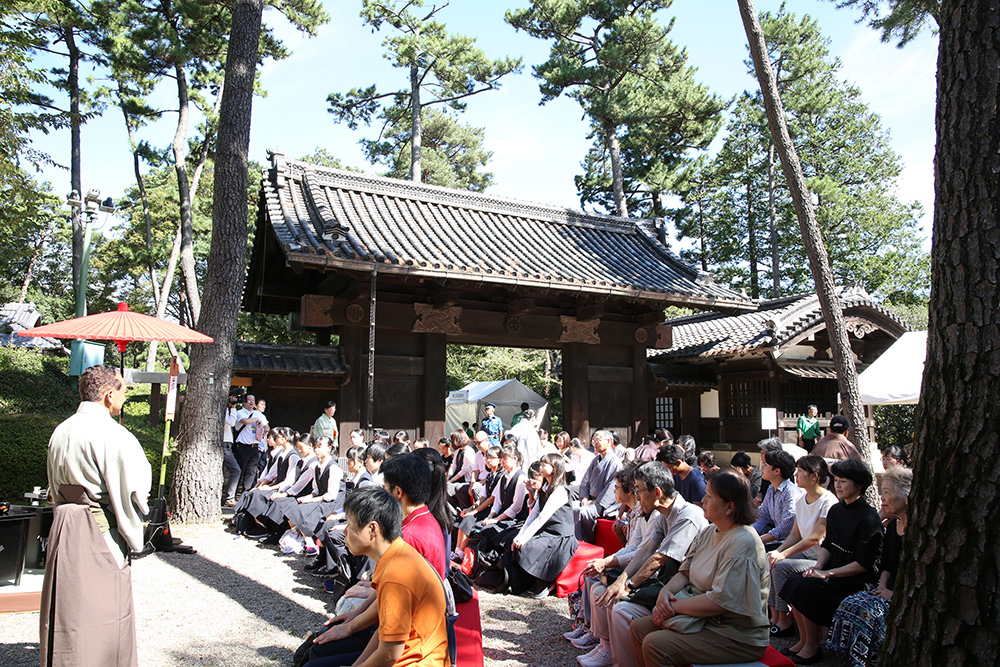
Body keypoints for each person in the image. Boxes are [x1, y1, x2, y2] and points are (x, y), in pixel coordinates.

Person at [40, 364, 152, 667]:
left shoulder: (61, 430)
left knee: (67, 605)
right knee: (103, 609)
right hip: (98, 530)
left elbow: (54, 484)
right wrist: (133, 537)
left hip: (63, 526)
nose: (124, 398)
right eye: (122, 391)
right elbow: (133, 492)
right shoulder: (113, 435)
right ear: (107, 394)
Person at [629, 471, 770, 667]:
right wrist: (665, 593)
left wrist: (671, 607)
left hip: (735, 633)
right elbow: (685, 572)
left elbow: (720, 601)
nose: (703, 500)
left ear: (730, 507)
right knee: (638, 628)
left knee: (655, 644)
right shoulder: (709, 531)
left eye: (710, 496)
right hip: (700, 617)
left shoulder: (743, 541)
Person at [578, 462, 708, 667]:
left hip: (687, 589)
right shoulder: (665, 514)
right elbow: (646, 550)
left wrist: (628, 586)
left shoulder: (687, 515)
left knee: (620, 608)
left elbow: (659, 558)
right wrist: (621, 581)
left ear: (656, 492)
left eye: (638, 491)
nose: (636, 497)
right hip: (670, 582)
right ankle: (608, 650)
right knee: (611, 596)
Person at [305, 487, 448, 667]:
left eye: (350, 524)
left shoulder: (396, 575)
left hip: (418, 660)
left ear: (372, 529)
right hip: (412, 652)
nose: (344, 532)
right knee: (318, 654)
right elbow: (382, 632)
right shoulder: (394, 553)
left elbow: (390, 654)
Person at [781, 459, 884, 664]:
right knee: (797, 580)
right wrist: (818, 568)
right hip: (832, 570)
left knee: (806, 587)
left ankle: (813, 646)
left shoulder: (869, 517)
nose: (837, 485)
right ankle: (804, 640)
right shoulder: (837, 510)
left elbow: (863, 564)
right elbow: (828, 545)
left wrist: (827, 573)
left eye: (843, 481)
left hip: (854, 578)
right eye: (836, 480)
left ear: (859, 485)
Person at [826, 466, 912, 666]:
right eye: (882, 491)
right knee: (849, 604)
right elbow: (886, 566)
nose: (881, 497)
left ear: (906, 498)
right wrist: (882, 587)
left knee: (867, 613)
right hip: (884, 589)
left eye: (887, 493)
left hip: (904, 593)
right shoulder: (892, 526)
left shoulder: (919, 531)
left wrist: (895, 593)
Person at [765, 455, 838, 639]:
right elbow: (796, 534)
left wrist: (784, 555)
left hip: (820, 559)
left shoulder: (827, 501)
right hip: (804, 554)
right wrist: (779, 552)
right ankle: (775, 617)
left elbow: (815, 537)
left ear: (814, 476)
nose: (796, 474)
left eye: (801, 471)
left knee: (781, 567)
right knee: (771, 560)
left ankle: (784, 620)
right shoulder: (801, 499)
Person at [513, 452, 579, 598]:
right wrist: (520, 535)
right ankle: (533, 581)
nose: (541, 467)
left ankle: (547, 581)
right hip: (548, 531)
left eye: (544, 465)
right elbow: (534, 513)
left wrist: (524, 539)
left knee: (530, 546)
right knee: (516, 541)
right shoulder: (545, 487)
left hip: (561, 535)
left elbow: (542, 517)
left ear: (554, 468)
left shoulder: (560, 490)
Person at [575, 429, 624, 543]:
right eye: (593, 440)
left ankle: (586, 541)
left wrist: (596, 502)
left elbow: (612, 487)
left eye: (597, 440)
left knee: (584, 512)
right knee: (572, 507)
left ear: (608, 441)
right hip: (590, 500)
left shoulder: (615, 462)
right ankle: (575, 541)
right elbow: (585, 481)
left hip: (604, 504)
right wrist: (585, 497)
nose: (594, 443)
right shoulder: (595, 460)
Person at [752, 449, 802, 549]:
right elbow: (763, 515)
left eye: (765, 465)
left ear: (777, 471)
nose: (762, 468)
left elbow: (786, 527)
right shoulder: (771, 488)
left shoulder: (790, 492)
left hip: (790, 544)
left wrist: (758, 540)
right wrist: (751, 534)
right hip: (777, 539)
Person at [233, 393, 266, 492]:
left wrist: (265, 430)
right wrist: (256, 419)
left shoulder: (258, 414)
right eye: (249, 400)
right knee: (240, 470)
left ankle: (246, 492)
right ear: (244, 402)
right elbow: (246, 421)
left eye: (253, 400)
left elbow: (266, 425)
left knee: (252, 471)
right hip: (243, 446)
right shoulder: (240, 412)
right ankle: (233, 493)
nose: (252, 402)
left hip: (254, 446)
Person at [222, 391, 242, 506]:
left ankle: (224, 497)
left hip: (226, 443)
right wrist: (233, 408)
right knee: (236, 470)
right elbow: (231, 422)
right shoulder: (223, 409)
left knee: (223, 471)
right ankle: (229, 498)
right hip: (224, 444)